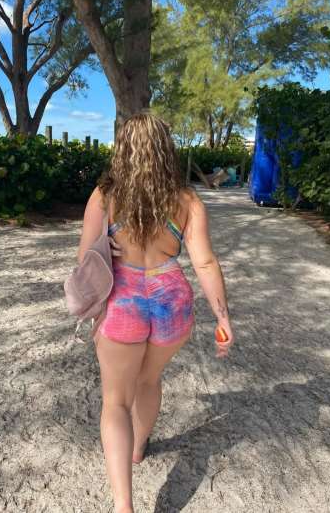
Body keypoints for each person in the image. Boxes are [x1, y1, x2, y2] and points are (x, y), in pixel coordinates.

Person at [76, 112, 234, 513]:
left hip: (122, 304)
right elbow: (205, 263)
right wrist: (223, 318)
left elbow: (84, 259)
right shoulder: (187, 200)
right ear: (166, 149)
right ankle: (138, 448)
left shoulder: (105, 195)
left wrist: (104, 246)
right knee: (148, 380)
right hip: (171, 301)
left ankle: (123, 505)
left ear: (122, 150)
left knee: (116, 401)